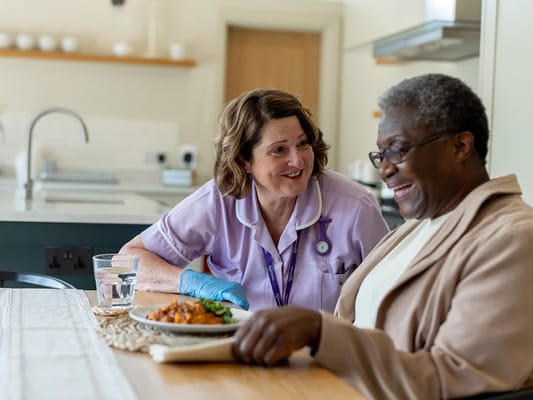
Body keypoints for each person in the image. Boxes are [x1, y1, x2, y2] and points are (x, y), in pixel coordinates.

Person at [232, 74, 533, 399]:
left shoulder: (513, 239)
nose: (385, 169)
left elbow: (454, 381)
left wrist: (320, 333)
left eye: (399, 150)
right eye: (381, 155)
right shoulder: (419, 227)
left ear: (460, 146)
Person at [120, 88, 389, 312]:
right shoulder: (217, 202)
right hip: (237, 350)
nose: (297, 161)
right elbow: (129, 261)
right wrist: (190, 281)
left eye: (303, 143)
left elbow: (393, 292)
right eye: (279, 150)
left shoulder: (355, 207)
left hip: (326, 358)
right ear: (244, 160)